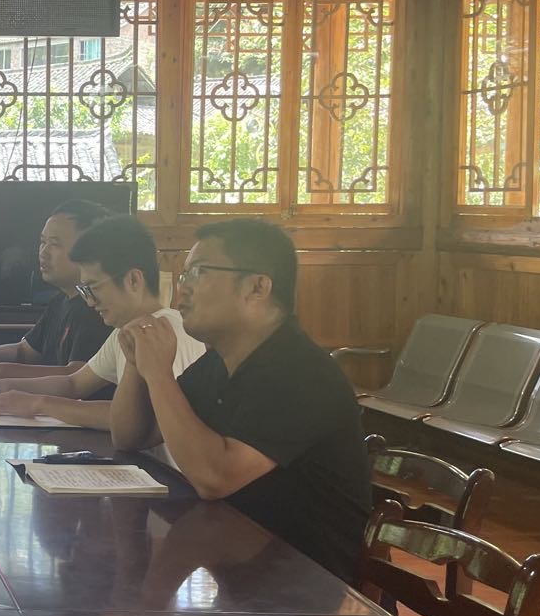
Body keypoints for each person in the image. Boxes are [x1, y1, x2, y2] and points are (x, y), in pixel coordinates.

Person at [110, 218, 371, 582]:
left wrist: (158, 373)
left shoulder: (300, 372)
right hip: (238, 562)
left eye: (198, 272)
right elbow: (130, 437)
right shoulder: (219, 362)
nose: (182, 289)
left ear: (257, 287)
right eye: (184, 275)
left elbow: (215, 478)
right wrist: (136, 364)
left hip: (306, 585)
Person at [0, 216, 204, 430]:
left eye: (93, 287)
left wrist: (40, 404)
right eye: (84, 290)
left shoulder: (165, 333)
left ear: (133, 280)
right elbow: (74, 383)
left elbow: (143, 419)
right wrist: (5, 386)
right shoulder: (125, 331)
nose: (90, 302)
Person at [0, 199, 114, 386]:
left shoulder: (100, 309)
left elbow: (75, 376)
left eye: (55, 244)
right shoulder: (60, 301)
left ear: (89, 251)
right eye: (43, 242)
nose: (43, 252)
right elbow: (25, 352)